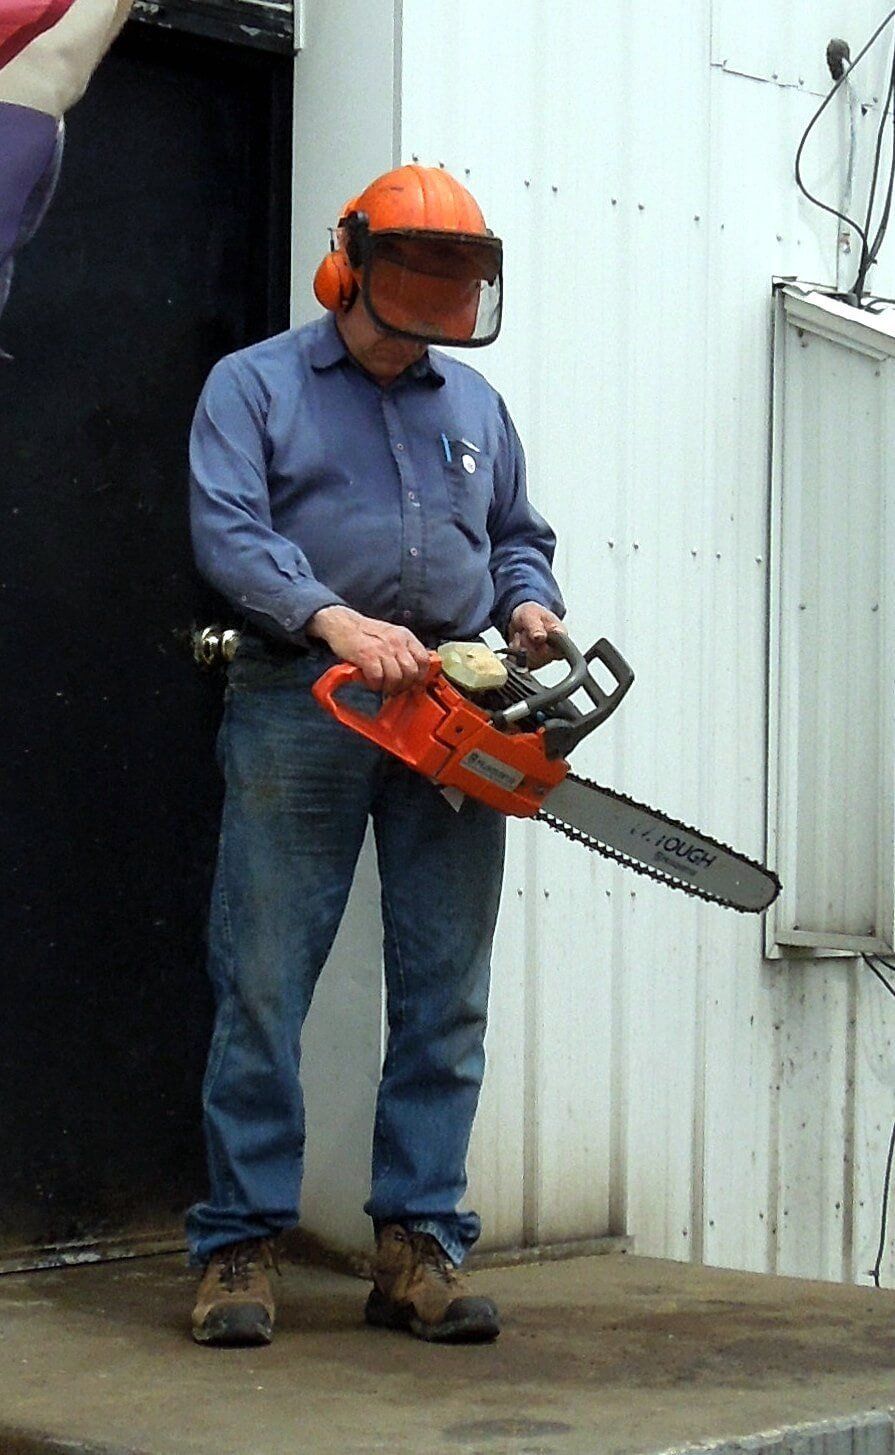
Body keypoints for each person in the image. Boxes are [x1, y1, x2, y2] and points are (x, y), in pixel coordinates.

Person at [187, 163, 565, 1346]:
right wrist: (331, 618)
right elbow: (230, 532)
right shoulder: (252, 387)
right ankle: (238, 1246)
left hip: (453, 710)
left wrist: (529, 603)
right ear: (354, 270)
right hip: (308, 696)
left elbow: (515, 535)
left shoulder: (475, 408)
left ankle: (419, 1245)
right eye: (419, 280)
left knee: (446, 992)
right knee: (263, 977)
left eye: (456, 287)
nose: (439, 308)